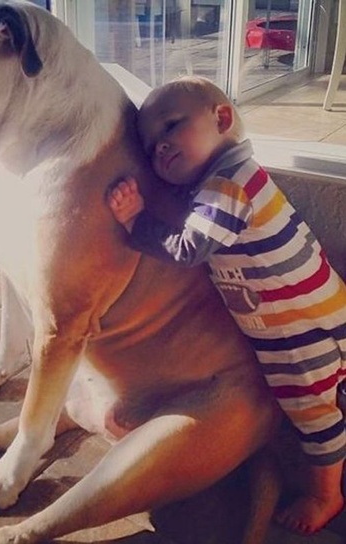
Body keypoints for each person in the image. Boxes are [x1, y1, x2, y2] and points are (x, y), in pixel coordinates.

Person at [108, 75, 346, 535]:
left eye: (171, 126)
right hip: (320, 304)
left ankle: (327, 494)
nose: (160, 146)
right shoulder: (234, 177)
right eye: (151, 146)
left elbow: (187, 248)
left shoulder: (228, 187)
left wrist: (136, 220)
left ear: (221, 118)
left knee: (313, 412)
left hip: (297, 330)